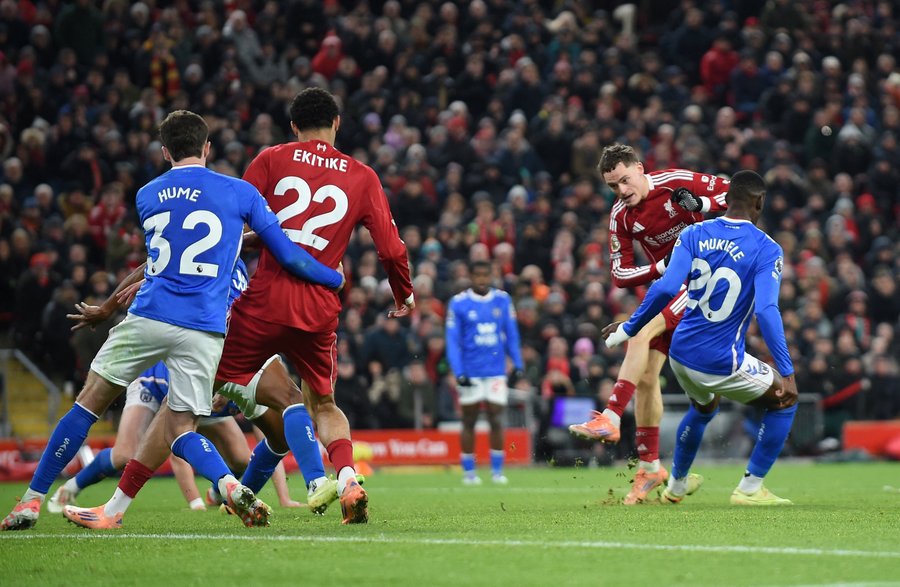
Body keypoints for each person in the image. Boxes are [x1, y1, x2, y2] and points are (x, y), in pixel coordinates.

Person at [1, 110, 344, 531]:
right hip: (206, 329)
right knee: (182, 428)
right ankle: (230, 484)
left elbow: (155, 262)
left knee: (88, 404)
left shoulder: (147, 194)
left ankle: (31, 502)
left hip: (151, 315)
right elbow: (287, 253)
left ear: (165, 152)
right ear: (207, 147)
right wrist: (333, 278)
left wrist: (107, 307)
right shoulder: (240, 192)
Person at [213, 87, 414, 524]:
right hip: (319, 307)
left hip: (265, 300)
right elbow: (391, 250)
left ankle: (213, 485)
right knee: (323, 403)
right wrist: (404, 294)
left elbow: (229, 225)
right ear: (337, 122)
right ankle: (347, 477)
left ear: (293, 126)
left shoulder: (270, 159)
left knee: (198, 385)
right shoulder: (362, 175)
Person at [604, 170, 798, 505]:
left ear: (728, 198)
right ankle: (750, 489)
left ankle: (676, 486)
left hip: (680, 354)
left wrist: (629, 327)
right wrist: (788, 371)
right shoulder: (767, 248)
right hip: (720, 359)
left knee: (705, 407)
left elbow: (665, 287)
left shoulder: (693, 233)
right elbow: (767, 311)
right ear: (760, 203)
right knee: (785, 401)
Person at [568, 143, 728, 504]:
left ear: (640, 168)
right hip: (673, 286)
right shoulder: (620, 216)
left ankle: (611, 416)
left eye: (625, 180)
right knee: (645, 378)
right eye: (613, 186)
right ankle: (650, 468)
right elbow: (620, 274)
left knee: (639, 331)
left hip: (709, 281)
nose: (622, 190)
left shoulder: (676, 181)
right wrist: (660, 267)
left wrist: (703, 205)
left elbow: (737, 193)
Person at [445, 260, 523, 485]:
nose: (481, 279)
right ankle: (469, 472)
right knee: (469, 420)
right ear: (470, 276)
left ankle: (497, 471)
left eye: (485, 275)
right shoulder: (459, 303)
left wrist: (518, 365)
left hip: (496, 370)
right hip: (470, 371)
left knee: (496, 418)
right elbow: (452, 341)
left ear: (491, 276)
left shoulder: (503, 300)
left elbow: (512, 335)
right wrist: (458, 371)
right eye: (477, 275)